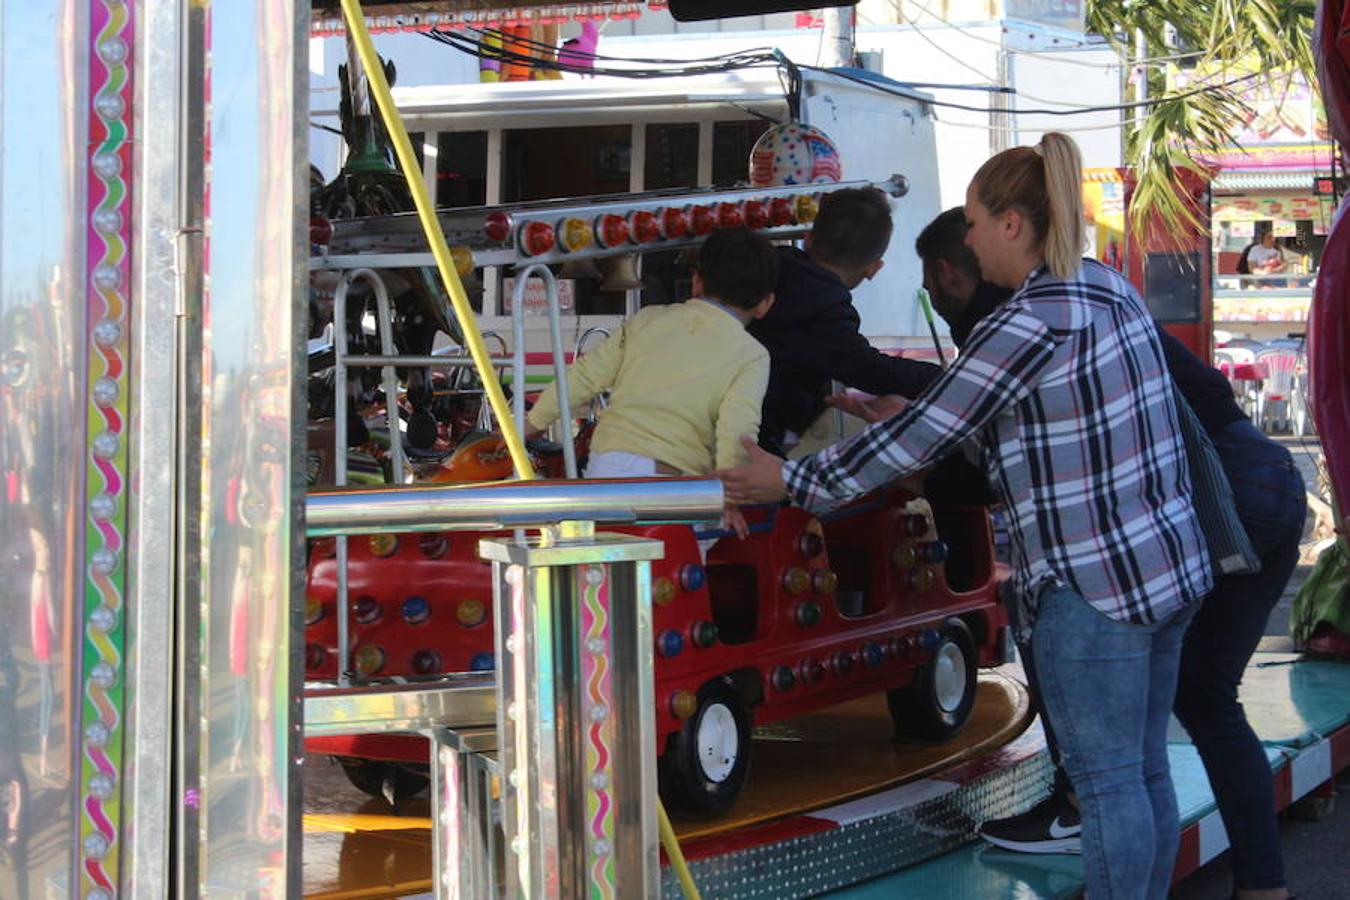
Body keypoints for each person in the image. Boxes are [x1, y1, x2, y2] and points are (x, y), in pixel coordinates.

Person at [720, 133, 1213, 900]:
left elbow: (927, 431)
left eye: (977, 220)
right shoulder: (1103, 288)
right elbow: (1036, 428)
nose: (970, 235)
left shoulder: (1027, 321)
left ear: (1013, 224)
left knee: (1107, 782)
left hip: (1094, 589)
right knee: (1140, 771)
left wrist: (789, 479)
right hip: (1163, 568)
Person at [524, 227, 777, 533]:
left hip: (608, 470)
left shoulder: (647, 319)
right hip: (675, 486)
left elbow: (583, 377)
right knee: (679, 571)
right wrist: (727, 497)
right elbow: (737, 430)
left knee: (604, 573)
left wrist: (529, 425)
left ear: (697, 282)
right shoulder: (751, 355)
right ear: (765, 304)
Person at [748, 186, 937, 456]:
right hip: (753, 433)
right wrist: (943, 378)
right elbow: (869, 368)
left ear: (808, 239)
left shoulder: (765, 271)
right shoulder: (827, 309)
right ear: (873, 269)